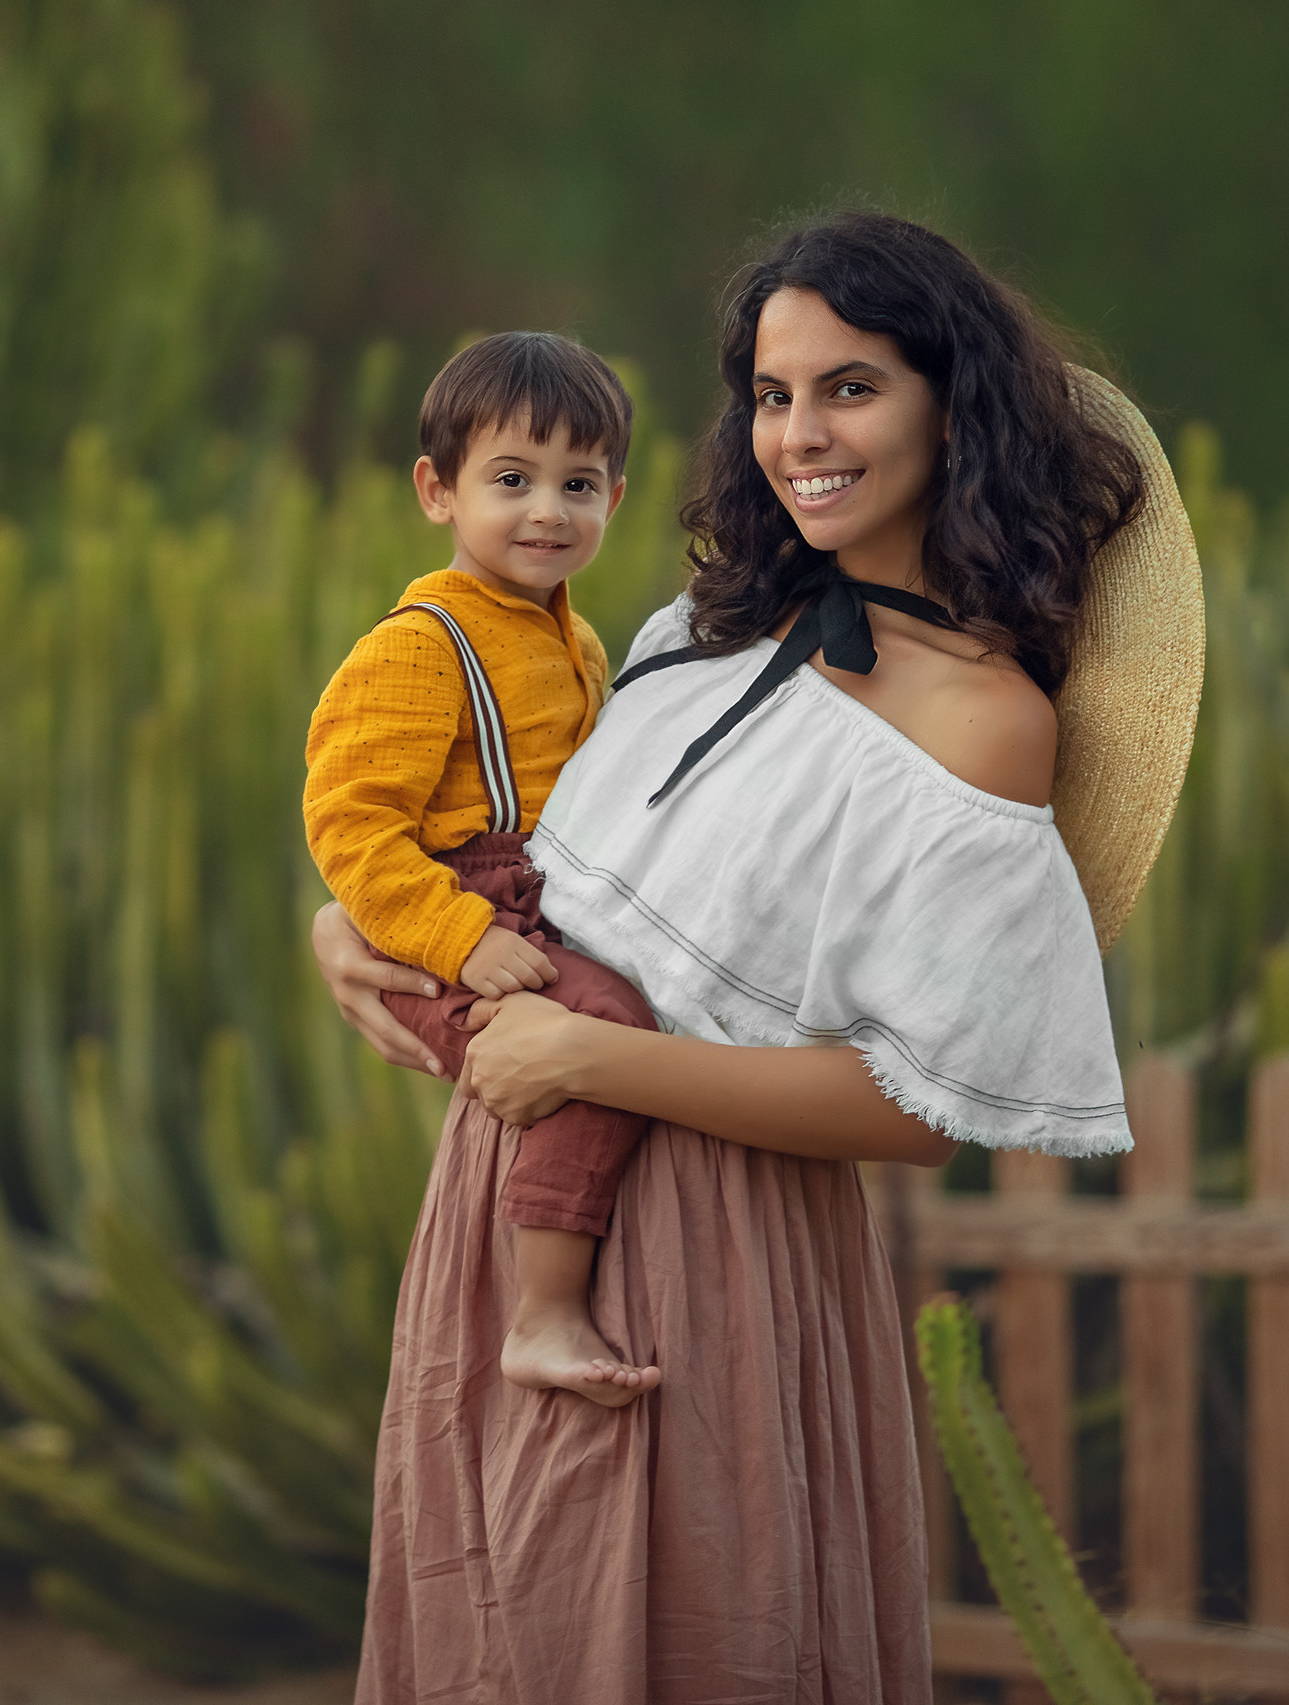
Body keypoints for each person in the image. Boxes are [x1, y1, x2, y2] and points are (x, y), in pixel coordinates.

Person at [313, 210, 1205, 1702]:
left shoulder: (982, 722)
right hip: (507, 1203)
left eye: (848, 387)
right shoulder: (689, 628)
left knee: (682, 1646)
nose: (799, 432)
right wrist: (349, 925)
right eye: (773, 393)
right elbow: (540, 873)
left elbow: (916, 1113)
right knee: (496, 1643)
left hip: (723, 1254)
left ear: (951, 404)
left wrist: (595, 1057)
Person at [304, 331, 666, 1410]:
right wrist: (462, 938)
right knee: (597, 1034)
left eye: (579, 484)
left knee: (623, 1013)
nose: (548, 510)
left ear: (615, 497)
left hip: (541, 896)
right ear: (437, 490)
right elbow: (353, 826)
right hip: (458, 912)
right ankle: (543, 1313)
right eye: (512, 480)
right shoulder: (420, 645)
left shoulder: (581, 642)